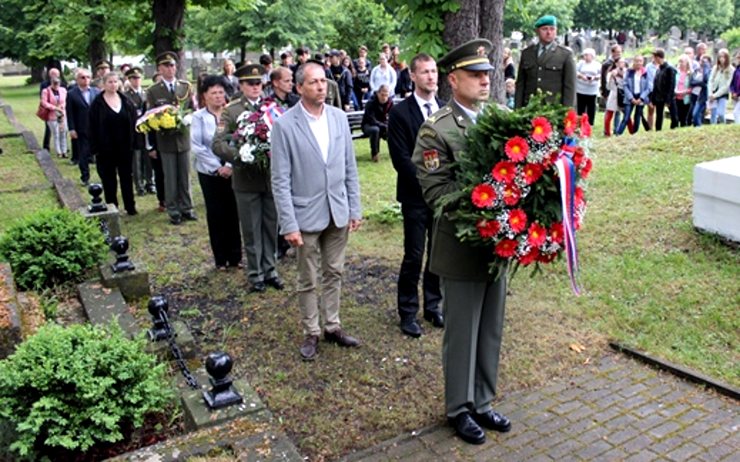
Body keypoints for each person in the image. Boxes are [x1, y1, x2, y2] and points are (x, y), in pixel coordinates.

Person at [412, 38, 511, 446]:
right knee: (462, 332)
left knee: (490, 328)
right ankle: (459, 407)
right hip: (461, 245)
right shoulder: (438, 129)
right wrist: (483, 207)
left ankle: (483, 400)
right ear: (453, 80)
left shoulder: (501, 117)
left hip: (499, 246)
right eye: (475, 75)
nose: (485, 81)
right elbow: (436, 191)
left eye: (487, 74)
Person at [270, 61, 363, 361]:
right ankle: (311, 331)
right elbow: (280, 180)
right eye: (313, 82)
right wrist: (289, 223)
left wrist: (354, 207)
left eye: (323, 81)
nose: (321, 86)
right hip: (305, 215)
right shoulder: (285, 125)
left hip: (337, 210)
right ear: (298, 88)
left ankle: (332, 326)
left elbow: (350, 166)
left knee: (334, 271)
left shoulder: (338, 118)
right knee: (308, 277)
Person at [212, 64, 284, 294]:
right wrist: (241, 156)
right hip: (246, 179)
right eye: (250, 83)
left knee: (271, 227)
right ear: (241, 86)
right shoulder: (231, 111)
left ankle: (271, 270)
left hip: (270, 178)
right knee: (252, 230)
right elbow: (218, 143)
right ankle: (256, 274)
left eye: (258, 83)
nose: (255, 87)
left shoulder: (272, 108)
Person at [388, 53, 444, 339]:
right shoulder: (400, 113)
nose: (431, 77)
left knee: (438, 253)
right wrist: (430, 183)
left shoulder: (446, 109)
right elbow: (401, 159)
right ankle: (408, 312)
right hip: (415, 196)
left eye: (434, 71)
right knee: (414, 255)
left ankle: (434, 305)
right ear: (413, 76)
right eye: (424, 72)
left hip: (442, 198)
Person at [191, 75, 242, 270]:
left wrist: (230, 165)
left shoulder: (232, 114)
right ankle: (220, 259)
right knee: (216, 214)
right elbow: (197, 146)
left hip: (232, 170)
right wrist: (216, 166)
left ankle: (235, 257)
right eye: (214, 93)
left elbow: (238, 140)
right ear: (204, 96)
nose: (218, 96)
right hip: (209, 173)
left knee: (233, 212)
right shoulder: (199, 117)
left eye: (221, 92)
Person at [146, 51, 196, 225]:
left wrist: (188, 117)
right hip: (165, 139)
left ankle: (187, 207)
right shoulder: (153, 91)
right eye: (166, 66)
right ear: (160, 69)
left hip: (183, 138)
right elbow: (150, 117)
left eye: (173, 65)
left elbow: (192, 108)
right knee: (170, 177)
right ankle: (173, 209)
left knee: (184, 175)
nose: (170, 69)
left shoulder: (185, 86)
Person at [88, 72, 138, 215]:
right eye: (110, 82)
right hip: (106, 149)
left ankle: (130, 206)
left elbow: (133, 122)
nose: (113, 84)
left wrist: (134, 142)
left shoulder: (126, 101)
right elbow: (92, 127)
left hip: (124, 147)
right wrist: (95, 148)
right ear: (104, 84)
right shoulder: (97, 104)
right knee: (109, 180)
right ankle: (112, 206)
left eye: (115, 82)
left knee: (126, 177)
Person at [515, 15, 576, 108]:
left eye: (552, 29)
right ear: (537, 31)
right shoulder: (527, 53)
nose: (549, 32)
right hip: (528, 108)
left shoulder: (565, 55)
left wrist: (567, 111)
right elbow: (520, 84)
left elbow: (570, 87)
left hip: (553, 108)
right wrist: (518, 108)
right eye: (545, 29)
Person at [66, 68, 100, 186]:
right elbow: (69, 113)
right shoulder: (71, 94)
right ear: (77, 79)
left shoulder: (96, 92)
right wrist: (71, 128)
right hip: (81, 129)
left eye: (88, 77)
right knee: (83, 153)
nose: (86, 80)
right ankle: (85, 177)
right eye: (82, 77)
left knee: (99, 153)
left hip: (96, 128)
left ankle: (102, 175)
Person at [123, 67, 153, 196]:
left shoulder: (146, 93)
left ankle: (150, 182)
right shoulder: (126, 96)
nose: (137, 80)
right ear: (129, 80)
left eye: (138, 78)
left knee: (148, 158)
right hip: (134, 130)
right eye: (134, 78)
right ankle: (139, 185)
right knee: (137, 159)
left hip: (147, 129)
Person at [616, 55, 650, 135]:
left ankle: (634, 134)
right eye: (636, 61)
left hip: (641, 97)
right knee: (626, 117)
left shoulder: (645, 73)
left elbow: (648, 88)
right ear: (633, 61)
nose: (638, 63)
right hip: (630, 97)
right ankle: (618, 133)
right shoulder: (629, 72)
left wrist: (641, 98)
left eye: (640, 61)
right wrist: (631, 98)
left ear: (643, 62)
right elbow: (625, 85)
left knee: (637, 116)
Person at [361, 85, 393, 162]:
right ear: (378, 93)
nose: (384, 97)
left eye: (386, 95)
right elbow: (371, 120)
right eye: (382, 95)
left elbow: (393, 117)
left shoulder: (390, 103)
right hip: (368, 125)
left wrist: (389, 125)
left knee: (393, 130)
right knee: (375, 130)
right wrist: (384, 126)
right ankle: (375, 154)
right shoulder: (371, 103)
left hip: (382, 125)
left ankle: (395, 152)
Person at [40, 77, 68, 158]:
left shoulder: (63, 90)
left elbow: (65, 100)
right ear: (51, 83)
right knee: (56, 133)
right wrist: (54, 107)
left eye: (57, 83)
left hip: (62, 114)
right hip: (52, 115)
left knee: (63, 132)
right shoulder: (46, 91)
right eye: (54, 83)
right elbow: (44, 102)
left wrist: (62, 106)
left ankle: (64, 151)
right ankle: (58, 151)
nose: (56, 85)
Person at [651, 48, 678, 131]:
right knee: (659, 116)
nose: (654, 60)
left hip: (667, 96)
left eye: (654, 58)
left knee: (674, 116)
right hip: (659, 96)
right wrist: (653, 98)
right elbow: (655, 84)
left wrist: (668, 99)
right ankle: (658, 131)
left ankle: (674, 130)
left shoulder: (669, 69)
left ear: (658, 57)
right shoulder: (659, 69)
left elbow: (671, 85)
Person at [708, 48, 734, 125]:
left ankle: (723, 126)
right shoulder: (715, 68)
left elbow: (727, 85)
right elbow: (710, 80)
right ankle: (712, 129)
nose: (721, 59)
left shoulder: (731, 69)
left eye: (723, 57)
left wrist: (715, 95)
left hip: (722, 94)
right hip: (713, 92)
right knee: (713, 114)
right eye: (720, 57)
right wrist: (710, 93)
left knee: (721, 113)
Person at [575, 48, 601, 125]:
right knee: (581, 108)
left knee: (591, 108)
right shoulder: (580, 63)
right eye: (584, 55)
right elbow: (575, 71)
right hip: (581, 89)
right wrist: (581, 75)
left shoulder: (597, 64)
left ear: (592, 56)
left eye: (587, 55)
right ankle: (580, 123)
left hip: (592, 90)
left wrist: (594, 77)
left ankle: (590, 123)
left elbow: (601, 74)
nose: (585, 57)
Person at [603, 58, 626, 137]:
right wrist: (611, 77)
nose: (621, 64)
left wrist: (621, 75)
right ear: (616, 64)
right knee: (609, 114)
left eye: (623, 62)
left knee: (623, 114)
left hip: (622, 96)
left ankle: (618, 131)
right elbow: (608, 87)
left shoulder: (626, 72)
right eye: (620, 62)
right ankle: (607, 132)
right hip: (613, 95)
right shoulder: (611, 73)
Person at [691, 55, 712, 127]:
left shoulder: (709, 71)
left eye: (704, 61)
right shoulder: (697, 70)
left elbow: (706, 80)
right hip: (695, 94)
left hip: (703, 96)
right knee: (694, 114)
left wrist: (706, 66)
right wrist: (700, 83)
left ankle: (699, 128)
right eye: (701, 60)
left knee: (697, 114)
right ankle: (697, 128)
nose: (702, 62)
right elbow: (692, 82)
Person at [674, 55, 693, 127]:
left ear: (687, 63)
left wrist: (684, 92)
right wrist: (676, 91)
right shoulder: (676, 72)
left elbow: (692, 87)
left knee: (684, 118)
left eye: (682, 62)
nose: (681, 63)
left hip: (686, 98)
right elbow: (674, 84)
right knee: (676, 117)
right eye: (680, 62)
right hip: (676, 97)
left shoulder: (690, 74)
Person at [730, 51, 740, 124]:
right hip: (735, 95)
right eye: (738, 57)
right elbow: (732, 83)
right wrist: (733, 92)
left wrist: (738, 93)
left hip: (738, 95)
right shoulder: (737, 69)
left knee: (736, 112)